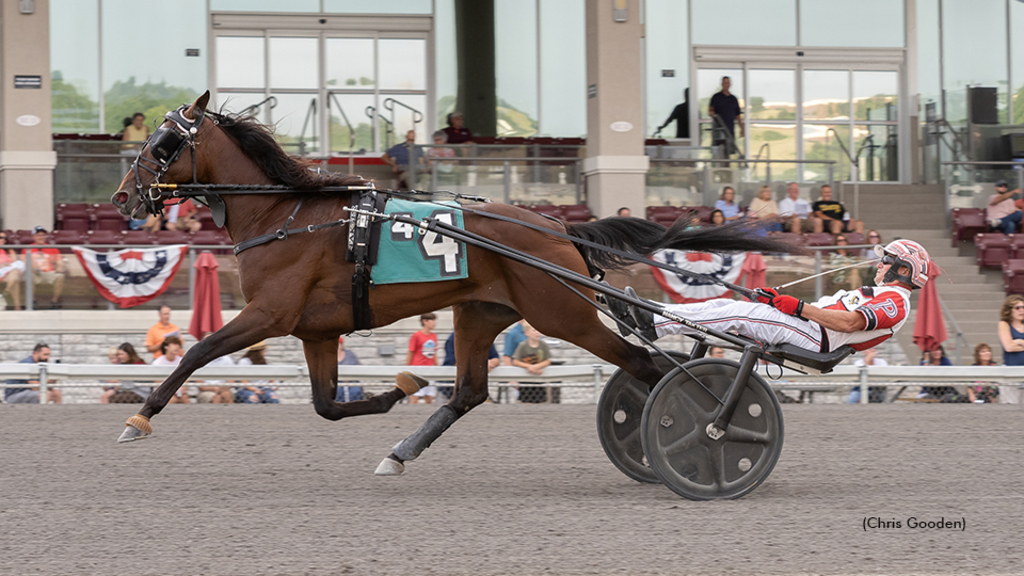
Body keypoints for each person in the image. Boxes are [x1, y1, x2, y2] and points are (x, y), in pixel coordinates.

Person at [614, 239, 932, 359]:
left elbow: (850, 322)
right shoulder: (882, 293)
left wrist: (797, 307)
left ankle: (652, 322)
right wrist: (778, 301)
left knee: (737, 312)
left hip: (816, 339)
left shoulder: (895, 301)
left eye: (886, 260)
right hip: (808, 328)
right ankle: (651, 315)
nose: (879, 264)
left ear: (902, 270)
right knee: (723, 306)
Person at [439, 333, 500, 400]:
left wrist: (489, 363)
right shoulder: (454, 338)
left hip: (474, 388)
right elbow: (454, 363)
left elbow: (496, 359)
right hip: (451, 388)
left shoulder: (484, 337)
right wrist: (479, 364)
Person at [23, 226, 65, 309]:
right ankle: (32, 301)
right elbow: (25, 263)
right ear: (33, 236)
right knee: (29, 276)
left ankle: (54, 302)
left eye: (43, 235)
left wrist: (59, 267)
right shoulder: (27, 248)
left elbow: (60, 262)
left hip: (48, 272)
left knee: (60, 277)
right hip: (34, 272)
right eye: (38, 235)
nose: (41, 237)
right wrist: (32, 269)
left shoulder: (52, 248)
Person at [512, 323, 553, 403]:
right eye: (534, 330)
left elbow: (547, 361)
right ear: (527, 333)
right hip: (525, 381)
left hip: (539, 381)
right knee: (526, 402)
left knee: (541, 402)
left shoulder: (543, 345)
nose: (537, 332)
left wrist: (537, 367)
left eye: (539, 330)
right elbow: (515, 361)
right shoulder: (522, 345)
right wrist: (530, 367)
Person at [406, 313, 439, 404]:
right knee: (415, 396)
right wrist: (406, 368)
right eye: (432, 320)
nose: (434, 323)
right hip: (418, 369)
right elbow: (410, 352)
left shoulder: (434, 336)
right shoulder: (416, 335)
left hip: (430, 370)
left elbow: (434, 353)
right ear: (424, 321)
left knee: (429, 397)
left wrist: (438, 367)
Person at [997, 294, 1024, 404]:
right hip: (1011, 372)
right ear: (1009, 310)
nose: (1021, 310)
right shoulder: (1004, 324)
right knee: (1010, 406)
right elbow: (1008, 347)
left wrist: (1019, 342)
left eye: (1023, 307)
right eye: (1017, 308)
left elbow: (1012, 344)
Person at [708, 76, 743, 157]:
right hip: (719, 130)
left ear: (730, 84)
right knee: (717, 152)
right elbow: (711, 110)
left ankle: (726, 168)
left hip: (730, 130)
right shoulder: (716, 97)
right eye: (725, 83)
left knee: (728, 152)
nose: (726, 84)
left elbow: (738, 115)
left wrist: (742, 128)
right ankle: (717, 168)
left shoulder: (733, 99)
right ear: (722, 84)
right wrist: (712, 113)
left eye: (728, 83)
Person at [196, 334, 235, 404]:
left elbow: (231, 381)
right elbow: (200, 385)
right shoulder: (199, 360)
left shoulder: (227, 359)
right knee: (216, 398)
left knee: (227, 395)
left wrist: (221, 389)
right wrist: (213, 388)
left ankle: (230, 414)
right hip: (206, 391)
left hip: (223, 389)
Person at [153, 336, 189, 403]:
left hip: (179, 390)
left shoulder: (181, 361)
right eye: (174, 344)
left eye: (178, 345)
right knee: (172, 400)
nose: (177, 347)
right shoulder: (158, 362)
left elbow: (186, 379)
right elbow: (157, 381)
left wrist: (182, 389)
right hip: (162, 391)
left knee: (185, 399)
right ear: (166, 346)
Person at [0, 231, 25, 309]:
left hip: (9, 273)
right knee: (15, 278)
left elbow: (14, 262)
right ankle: (17, 307)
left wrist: (7, 265)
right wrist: (4, 265)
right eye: (1, 238)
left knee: (15, 275)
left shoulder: (9, 250)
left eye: (5, 238)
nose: (3, 240)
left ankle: (6, 293)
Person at [336, 336, 364, 402]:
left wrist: (350, 377)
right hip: (336, 382)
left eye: (338, 343)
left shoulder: (350, 355)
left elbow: (357, 367)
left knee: (356, 391)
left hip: (351, 381)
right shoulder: (329, 357)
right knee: (337, 391)